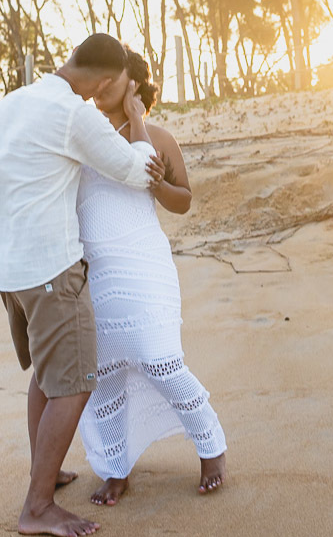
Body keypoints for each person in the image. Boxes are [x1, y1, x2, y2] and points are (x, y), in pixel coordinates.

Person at [0, 34, 164, 537]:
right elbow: (135, 170)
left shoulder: (11, 104)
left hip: (12, 277)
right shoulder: (75, 113)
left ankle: (44, 473)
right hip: (52, 271)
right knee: (74, 383)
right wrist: (140, 126)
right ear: (108, 80)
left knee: (48, 377)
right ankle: (38, 506)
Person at [76, 48, 227, 505]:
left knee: (161, 361)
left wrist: (156, 175)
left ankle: (211, 446)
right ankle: (115, 468)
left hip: (144, 266)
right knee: (104, 375)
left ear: (134, 85)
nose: (99, 89)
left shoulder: (158, 136)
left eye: (111, 81)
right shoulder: (83, 134)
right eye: (96, 81)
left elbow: (182, 200)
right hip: (96, 268)